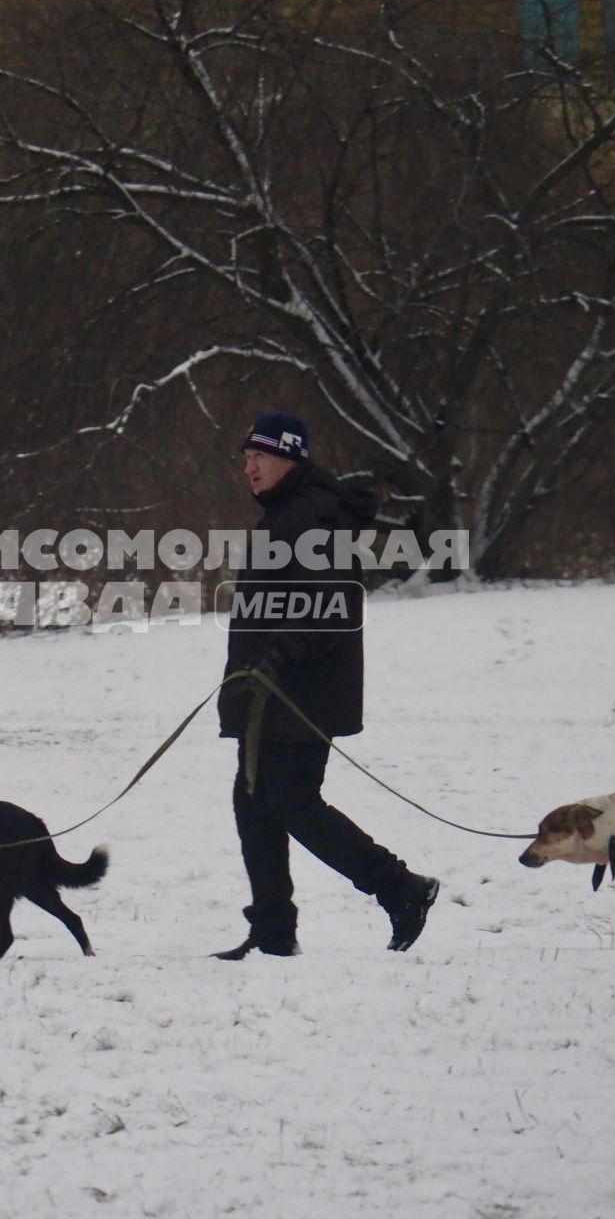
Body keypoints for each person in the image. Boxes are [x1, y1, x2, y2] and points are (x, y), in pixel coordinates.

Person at [214, 410, 439, 958]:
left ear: (290, 455)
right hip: (267, 691)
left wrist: (277, 655)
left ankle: (400, 887)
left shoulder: (315, 515)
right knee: (253, 801)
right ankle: (272, 930)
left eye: (259, 457)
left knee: (291, 801)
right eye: (246, 459)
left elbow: (333, 607)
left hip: (299, 692)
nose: (249, 469)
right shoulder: (287, 513)